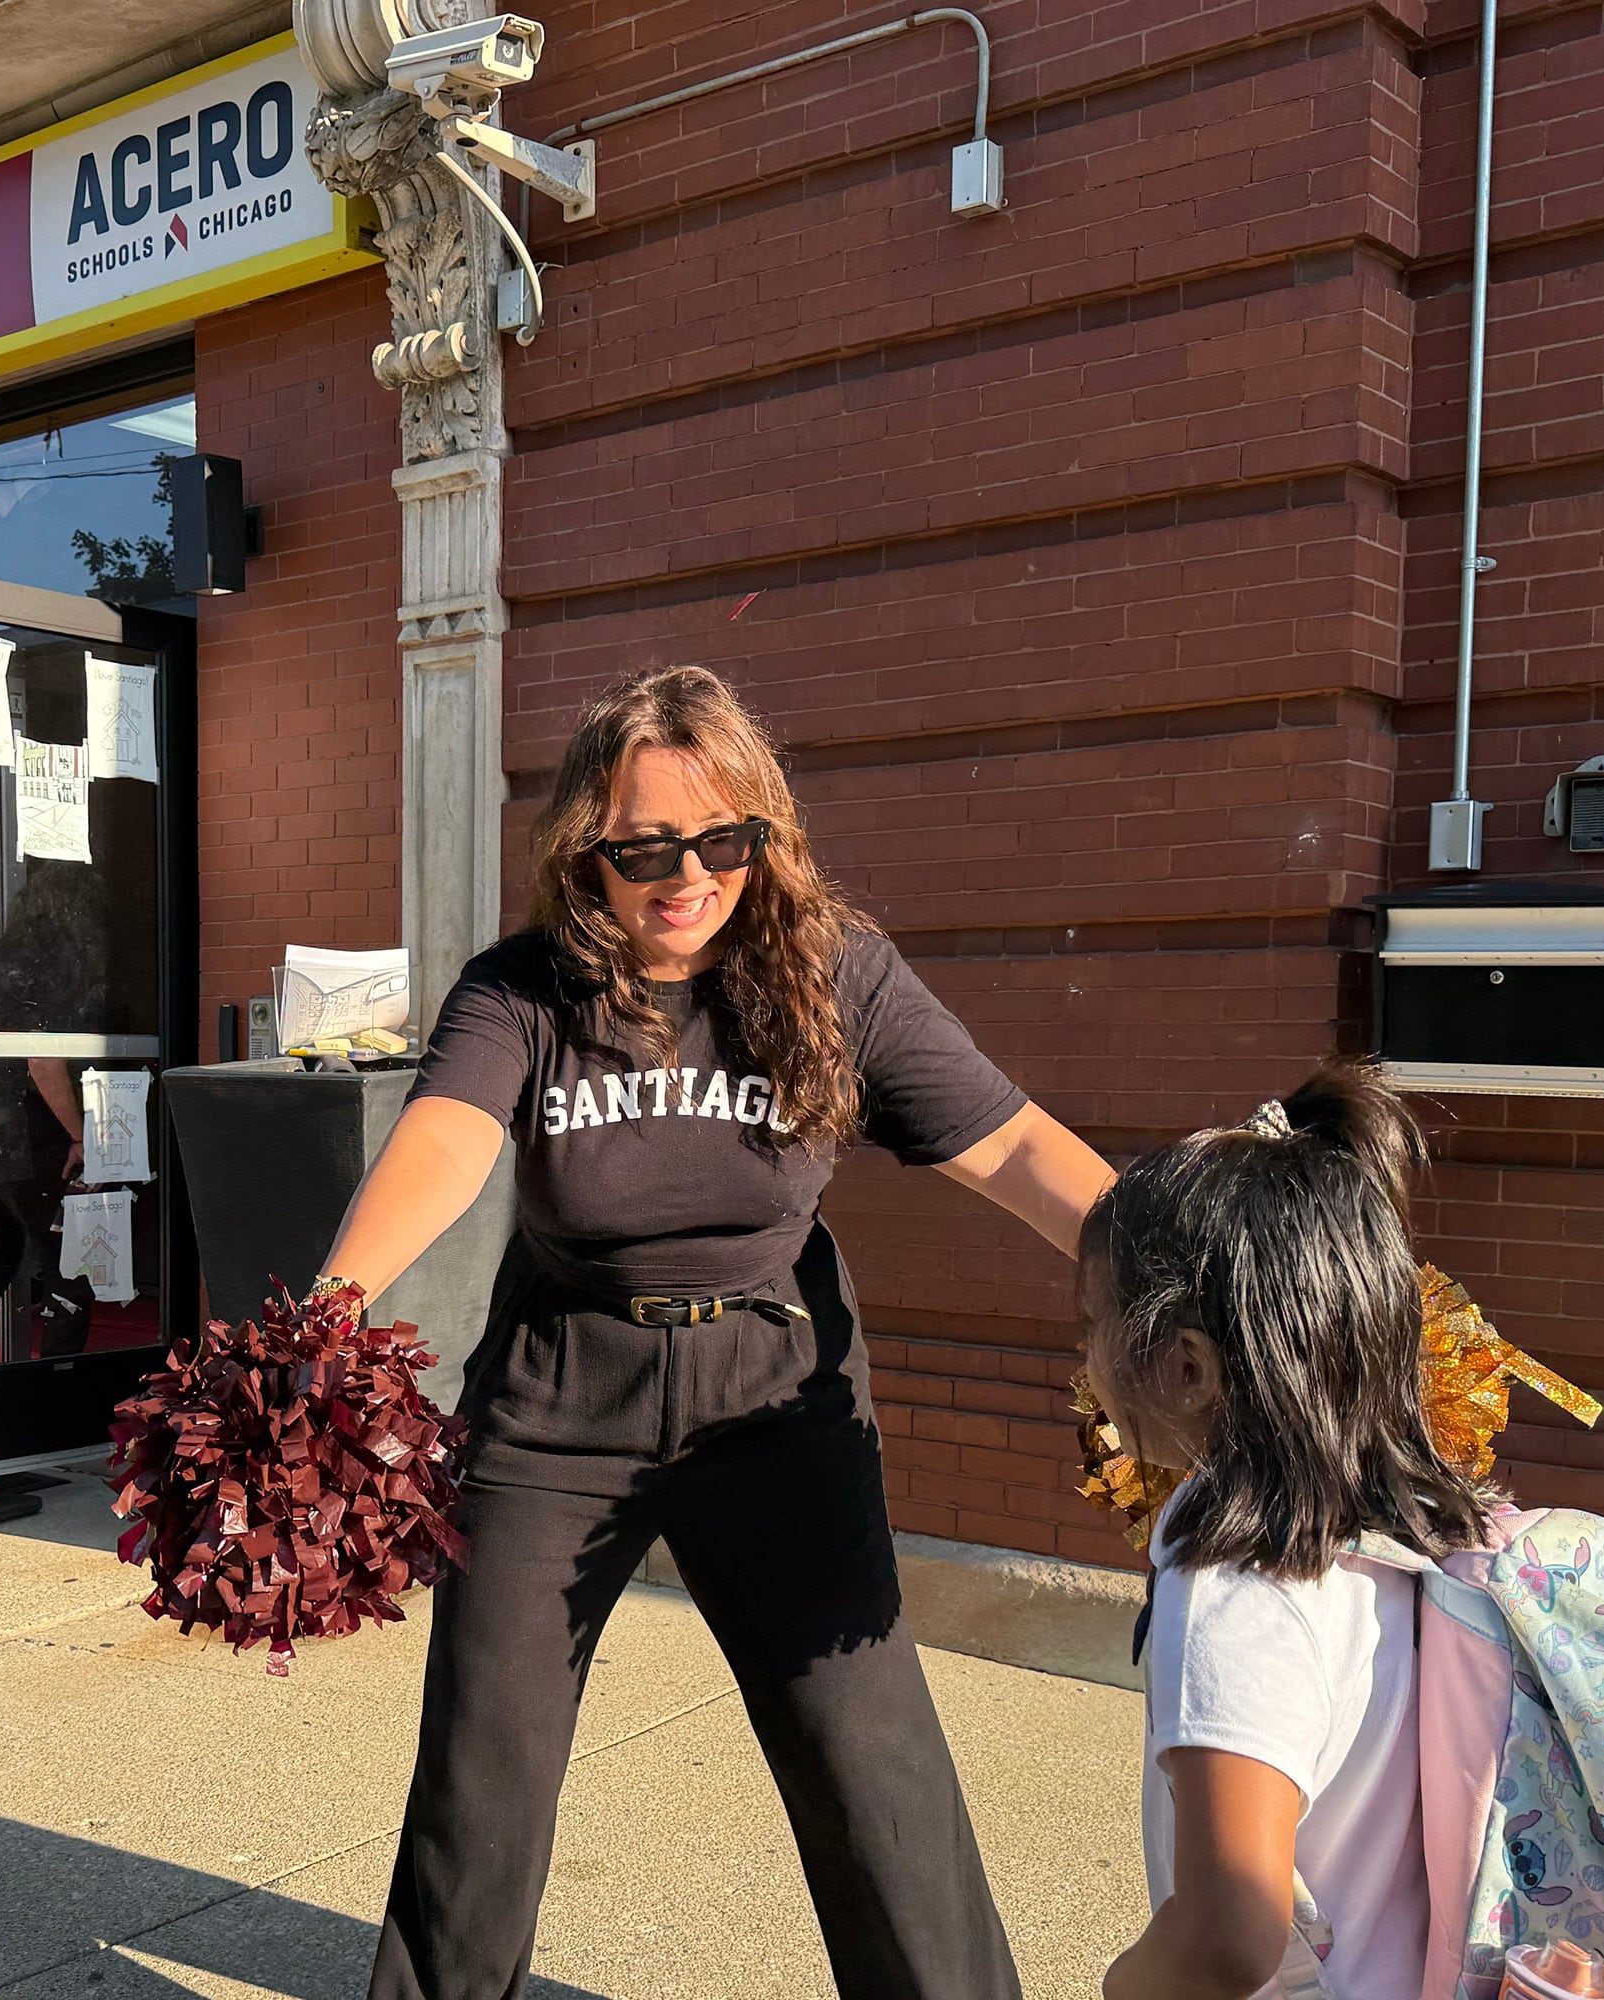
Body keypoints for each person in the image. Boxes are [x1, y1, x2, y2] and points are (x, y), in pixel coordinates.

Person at [315, 665, 1115, 2000]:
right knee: (483, 1762)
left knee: (870, 1756)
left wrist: (1193, 1269)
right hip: (562, 1390)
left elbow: (1017, 1148)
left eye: (722, 843)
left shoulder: (837, 975)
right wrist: (322, 1320)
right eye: (645, 849)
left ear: (765, 839)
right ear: (589, 848)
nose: (686, 879)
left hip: (775, 1391)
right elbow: (446, 1144)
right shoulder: (524, 989)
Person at [1079, 1066, 1495, 2000]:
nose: (1084, 1357)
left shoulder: (1237, 1587)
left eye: (1091, 1323)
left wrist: (1124, 1985)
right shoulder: (1400, 1533)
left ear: (1187, 1368)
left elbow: (1231, 1930)